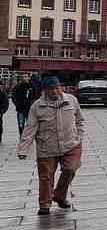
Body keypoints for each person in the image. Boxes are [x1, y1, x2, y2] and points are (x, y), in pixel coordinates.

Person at [17, 77, 85, 216]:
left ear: (60, 88)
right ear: (44, 90)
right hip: (47, 147)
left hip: (71, 144)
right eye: (50, 89)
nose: (54, 91)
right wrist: (23, 149)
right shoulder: (37, 106)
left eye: (56, 88)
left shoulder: (71, 100)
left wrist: (79, 137)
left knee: (70, 169)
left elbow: (80, 120)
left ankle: (59, 195)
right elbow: (30, 129)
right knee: (46, 177)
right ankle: (45, 204)